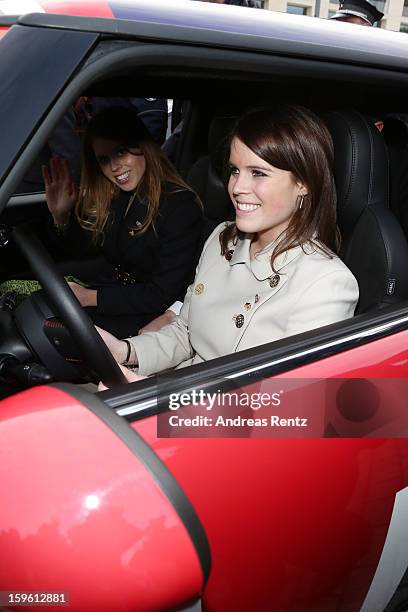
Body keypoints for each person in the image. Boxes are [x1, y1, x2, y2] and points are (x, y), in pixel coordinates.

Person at [97, 104, 359, 381]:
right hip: (177, 389)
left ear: (303, 183)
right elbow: (186, 332)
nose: (236, 187)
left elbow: (283, 407)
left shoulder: (326, 284)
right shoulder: (223, 239)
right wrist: (126, 351)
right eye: (235, 170)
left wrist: (158, 401)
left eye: (258, 172)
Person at [43, 106, 203, 338]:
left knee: (48, 330)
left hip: (147, 314)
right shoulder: (119, 196)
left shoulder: (179, 205)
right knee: (28, 304)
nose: (114, 168)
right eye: (104, 160)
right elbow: (83, 248)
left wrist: (90, 297)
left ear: (143, 147)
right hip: (114, 294)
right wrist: (61, 215)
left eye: (120, 152)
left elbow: (162, 293)